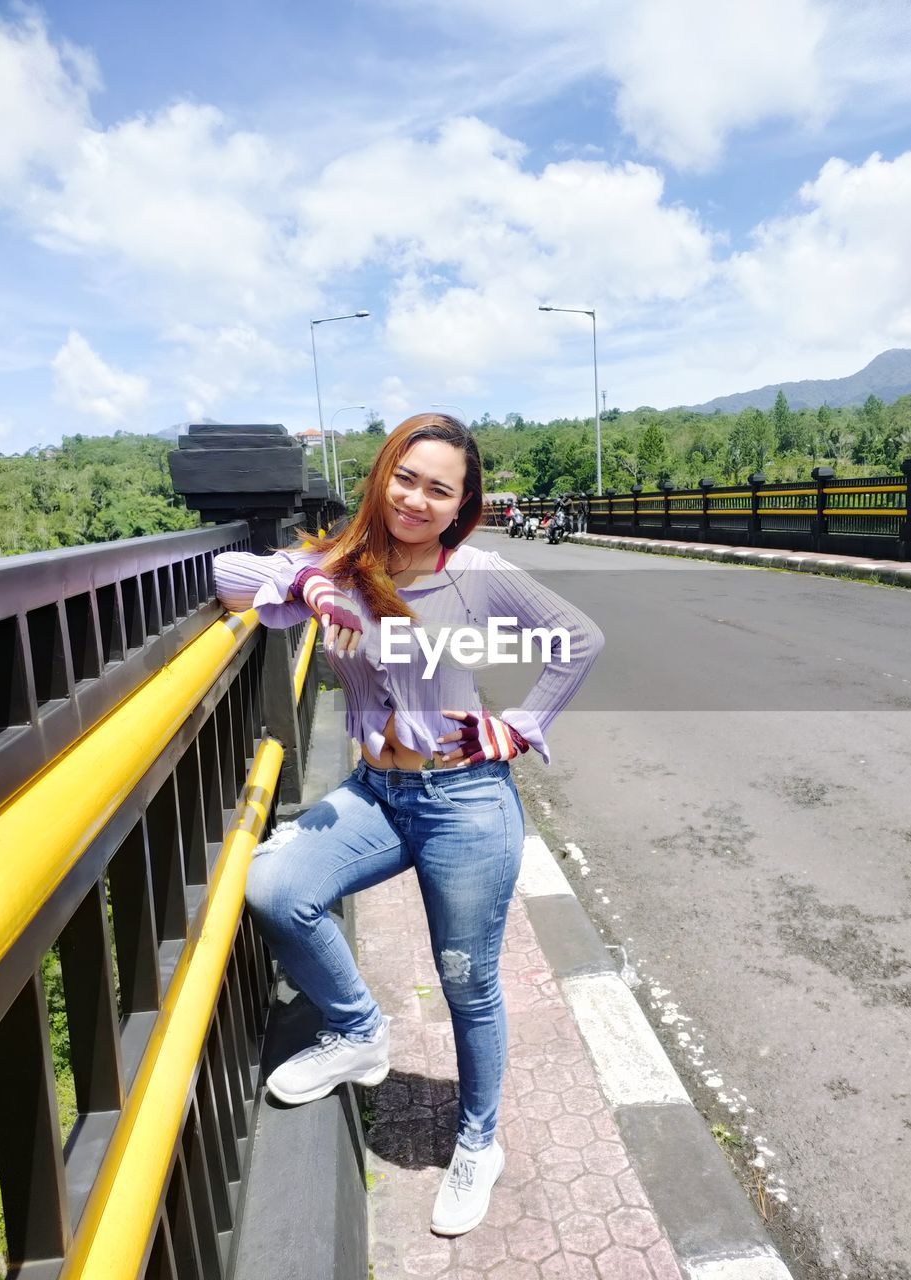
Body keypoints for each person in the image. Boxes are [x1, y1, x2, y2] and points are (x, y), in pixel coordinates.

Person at [213, 413, 603, 1237]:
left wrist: (522, 726)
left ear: (461, 504)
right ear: (383, 473)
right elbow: (228, 569)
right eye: (406, 477)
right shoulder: (342, 560)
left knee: (465, 979)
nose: (416, 499)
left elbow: (579, 638)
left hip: (464, 801)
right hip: (377, 795)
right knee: (277, 889)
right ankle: (359, 1032)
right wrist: (307, 584)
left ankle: (478, 1140)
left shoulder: (478, 573)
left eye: (440, 489)